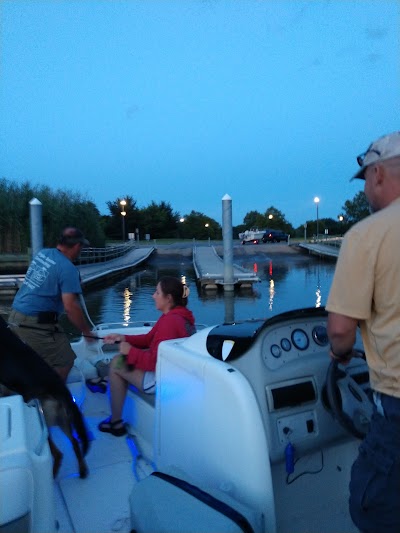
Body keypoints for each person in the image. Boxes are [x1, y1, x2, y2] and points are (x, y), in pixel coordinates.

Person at [326, 131, 400, 533]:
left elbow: (340, 332)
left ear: (377, 175)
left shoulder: (367, 235)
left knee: (371, 507)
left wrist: (338, 357)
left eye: (366, 183)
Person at [98, 276, 196, 437]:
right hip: (174, 373)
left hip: (163, 379)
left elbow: (153, 363)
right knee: (123, 359)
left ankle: (115, 423)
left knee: (116, 363)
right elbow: (148, 339)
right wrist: (122, 337)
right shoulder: (177, 316)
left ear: (168, 298)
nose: (153, 296)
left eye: (157, 292)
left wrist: (130, 351)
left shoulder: (170, 323)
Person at [8, 226, 96, 382]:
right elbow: (70, 308)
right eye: (81, 247)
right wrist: (86, 332)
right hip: (34, 323)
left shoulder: (43, 254)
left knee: (23, 361)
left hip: (16, 316)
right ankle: (52, 398)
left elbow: (47, 279)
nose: (81, 250)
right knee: (64, 361)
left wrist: (71, 284)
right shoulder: (68, 268)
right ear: (76, 246)